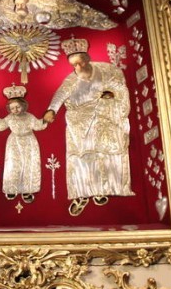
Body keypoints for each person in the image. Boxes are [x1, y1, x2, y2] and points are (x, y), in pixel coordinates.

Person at [43, 38, 132, 216]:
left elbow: (119, 86)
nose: (77, 67)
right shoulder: (71, 80)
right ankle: (82, 193)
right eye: (73, 65)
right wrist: (51, 110)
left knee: (103, 155)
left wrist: (111, 94)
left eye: (80, 63)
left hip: (102, 117)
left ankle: (102, 188)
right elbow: (60, 94)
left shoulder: (105, 70)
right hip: (79, 122)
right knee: (81, 158)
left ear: (87, 59)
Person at [0, 85, 47, 203]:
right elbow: (1, 127)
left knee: (29, 165)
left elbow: (38, 126)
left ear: (23, 106)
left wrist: (45, 119)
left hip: (29, 142)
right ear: (9, 109)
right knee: (13, 165)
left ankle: (28, 190)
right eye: (12, 108)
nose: (15, 110)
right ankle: (11, 189)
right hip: (14, 143)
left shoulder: (29, 117)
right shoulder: (10, 118)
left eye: (17, 107)